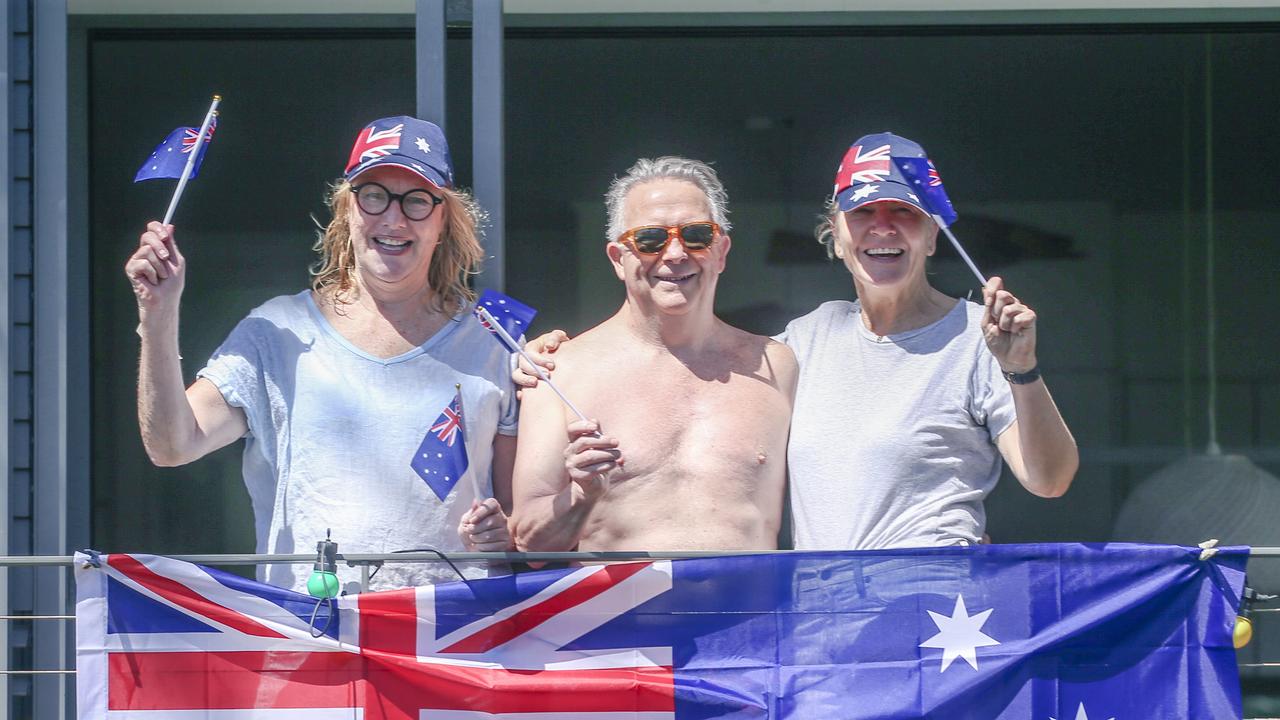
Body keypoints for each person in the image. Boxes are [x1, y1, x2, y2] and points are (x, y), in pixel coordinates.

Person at [516, 134, 1078, 551]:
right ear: (834, 233)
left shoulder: (977, 338)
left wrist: (1022, 370)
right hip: (819, 625)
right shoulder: (797, 346)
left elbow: (1050, 480)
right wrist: (543, 356)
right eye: (863, 213)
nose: (882, 228)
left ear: (933, 234)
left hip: (932, 615)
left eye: (903, 213)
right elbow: (688, 361)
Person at [125, 116, 516, 592]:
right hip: (314, 637)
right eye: (373, 195)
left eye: (416, 201)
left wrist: (507, 531)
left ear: (443, 220)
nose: (393, 220)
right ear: (347, 210)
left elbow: (529, 515)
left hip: (450, 638)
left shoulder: (500, 331)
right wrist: (158, 314)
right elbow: (172, 445)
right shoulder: (277, 330)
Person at [509, 157, 797, 554]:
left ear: (722, 251)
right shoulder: (560, 370)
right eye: (649, 239)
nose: (675, 253)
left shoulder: (777, 365)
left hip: (753, 613)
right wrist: (581, 493)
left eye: (696, 234)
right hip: (619, 615)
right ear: (617, 259)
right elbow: (529, 542)